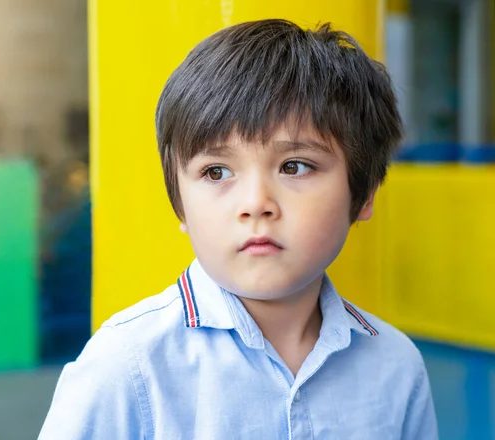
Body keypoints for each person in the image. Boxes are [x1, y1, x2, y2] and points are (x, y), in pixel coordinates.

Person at [38, 19, 438, 439]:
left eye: (294, 166)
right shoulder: (126, 366)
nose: (255, 205)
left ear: (365, 193)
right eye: (216, 172)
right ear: (180, 204)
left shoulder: (396, 367)